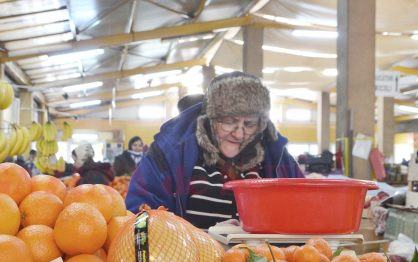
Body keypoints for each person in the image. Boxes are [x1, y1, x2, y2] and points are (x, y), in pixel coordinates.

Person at [126, 71, 303, 229]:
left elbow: (304, 207)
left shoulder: (275, 155)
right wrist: (205, 238)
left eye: (249, 124)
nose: (239, 134)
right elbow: (140, 217)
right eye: (228, 121)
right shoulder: (169, 152)